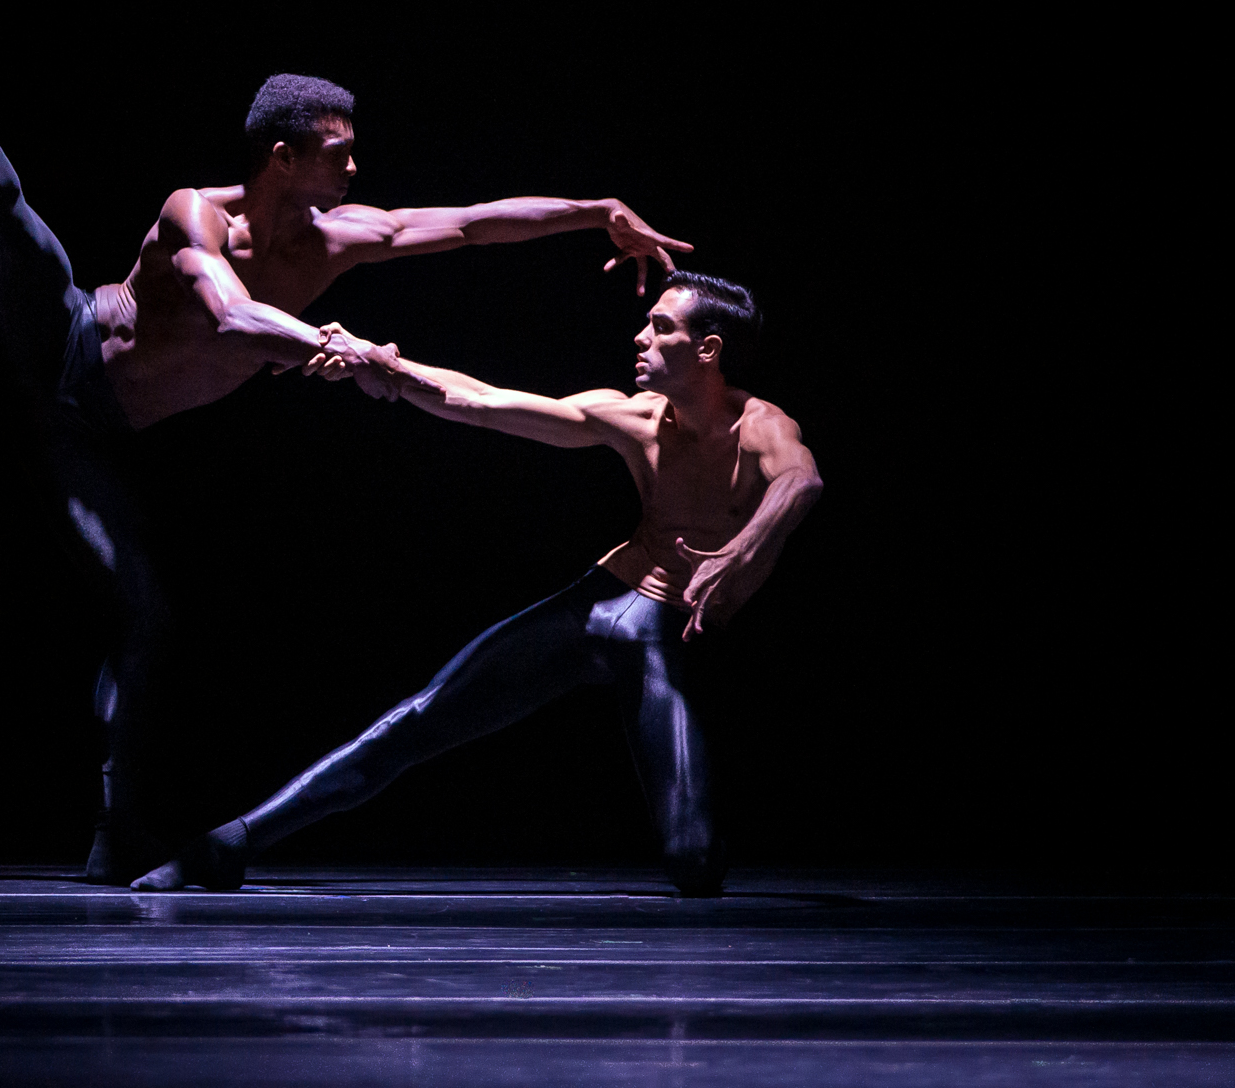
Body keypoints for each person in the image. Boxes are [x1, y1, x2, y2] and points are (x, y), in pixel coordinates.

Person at [0, 0, 693, 882]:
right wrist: (335, 348)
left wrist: (595, 210)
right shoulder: (194, 213)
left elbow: (471, 225)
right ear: (284, 156)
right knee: (2, 199)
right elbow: (230, 315)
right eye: (337, 155)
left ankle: (115, 831)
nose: (355, 171)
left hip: (95, 431)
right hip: (62, 341)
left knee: (144, 615)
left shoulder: (337, 239)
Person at [132, 272, 820, 897]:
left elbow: (800, 480)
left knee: (693, 864)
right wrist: (382, 362)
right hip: (601, 604)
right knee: (420, 718)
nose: (640, 336)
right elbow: (482, 400)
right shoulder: (633, 417)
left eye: (662, 327)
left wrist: (742, 548)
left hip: (666, 637)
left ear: (708, 350)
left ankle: (701, 847)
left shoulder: (759, 425)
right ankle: (227, 844)